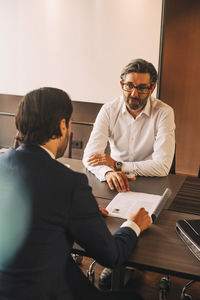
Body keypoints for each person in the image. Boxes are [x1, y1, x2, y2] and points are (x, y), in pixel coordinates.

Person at [0, 87, 151, 300]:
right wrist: (133, 224)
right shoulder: (68, 183)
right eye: (69, 124)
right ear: (63, 125)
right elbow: (111, 256)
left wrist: (81, 213)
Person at [83, 58, 175, 193]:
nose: (134, 94)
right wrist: (107, 172)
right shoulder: (109, 110)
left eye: (142, 88)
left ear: (152, 89)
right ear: (122, 85)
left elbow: (162, 166)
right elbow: (89, 157)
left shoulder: (164, 113)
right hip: (115, 180)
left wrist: (117, 165)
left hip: (151, 183)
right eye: (129, 86)